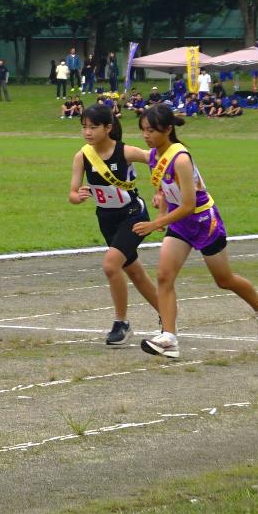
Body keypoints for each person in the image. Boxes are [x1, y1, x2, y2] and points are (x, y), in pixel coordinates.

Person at [131, 106, 258, 359]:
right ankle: (169, 338)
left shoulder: (181, 159)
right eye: (143, 130)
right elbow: (164, 189)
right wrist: (161, 210)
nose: (146, 135)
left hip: (203, 221)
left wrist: (155, 224)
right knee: (164, 277)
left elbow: (189, 204)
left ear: (168, 129)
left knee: (224, 280)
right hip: (179, 223)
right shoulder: (155, 156)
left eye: (151, 130)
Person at [69, 102, 161, 345]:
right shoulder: (82, 156)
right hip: (106, 220)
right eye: (84, 127)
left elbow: (158, 162)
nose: (88, 132)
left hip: (133, 215)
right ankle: (167, 312)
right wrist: (77, 197)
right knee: (135, 272)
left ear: (108, 128)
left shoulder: (126, 152)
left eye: (93, 127)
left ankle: (122, 323)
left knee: (111, 265)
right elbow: (72, 192)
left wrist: (159, 191)